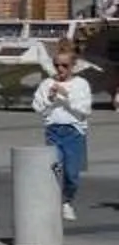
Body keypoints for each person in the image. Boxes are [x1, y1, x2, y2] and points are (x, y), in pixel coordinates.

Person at [35, 47, 93, 223]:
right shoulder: (46, 84)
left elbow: (85, 110)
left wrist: (67, 97)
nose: (60, 69)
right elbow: (38, 108)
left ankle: (67, 200)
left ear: (73, 66)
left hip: (74, 132)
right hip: (54, 130)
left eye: (65, 65)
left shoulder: (81, 84)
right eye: (56, 65)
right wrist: (50, 99)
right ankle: (54, 203)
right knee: (53, 169)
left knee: (71, 173)